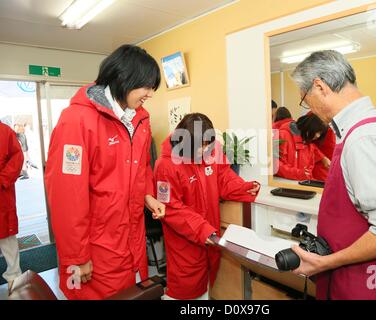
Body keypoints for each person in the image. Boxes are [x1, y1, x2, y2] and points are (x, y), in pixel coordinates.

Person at [289, 50, 376, 300]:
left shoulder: (365, 138)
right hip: (360, 276)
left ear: (320, 86)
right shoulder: (357, 131)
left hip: (371, 282)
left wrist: (324, 263)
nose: (310, 110)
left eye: (306, 100)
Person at [44, 44, 166, 300]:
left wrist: (148, 195)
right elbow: (66, 196)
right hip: (96, 245)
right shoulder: (76, 121)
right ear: (123, 78)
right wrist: (77, 257)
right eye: (146, 86)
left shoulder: (139, 119)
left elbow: (141, 166)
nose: (150, 94)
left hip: (131, 238)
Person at [153, 113, 260, 300]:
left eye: (207, 146)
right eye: (198, 148)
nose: (203, 151)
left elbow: (224, 177)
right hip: (184, 242)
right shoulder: (166, 165)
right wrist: (202, 230)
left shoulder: (213, 149)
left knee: (206, 288)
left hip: (210, 235)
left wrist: (244, 187)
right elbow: (171, 208)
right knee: (185, 291)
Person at [0, 122, 24, 291]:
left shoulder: (4, 131)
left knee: (7, 238)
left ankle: (14, 277)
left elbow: (18, 156)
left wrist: (2, 179)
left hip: (2, 194)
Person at [275, 113, 330, 181]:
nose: (318, 136)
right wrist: (299, 174)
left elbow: (307, 173)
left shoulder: (310, 145)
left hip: (298, 186)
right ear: (310, 126)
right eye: (317, 132)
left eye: (320, 133)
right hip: (281, 185)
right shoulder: (283, 136)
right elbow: (275, 165)